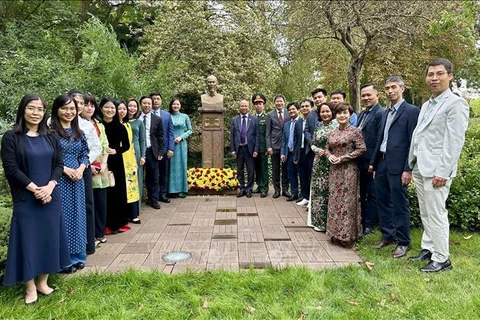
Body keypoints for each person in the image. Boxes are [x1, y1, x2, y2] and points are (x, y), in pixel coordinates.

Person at [1, 93, 70, 304]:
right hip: (26, 197)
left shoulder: (51, 136)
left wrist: (49, 187)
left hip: (51, 195)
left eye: (40, 109)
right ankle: (30, 287)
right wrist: (35, 190)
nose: (36, 113)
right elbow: (11, 169)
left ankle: (43, 282)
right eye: (31, 108)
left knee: (50, 237)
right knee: (27, 240)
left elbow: (58, 165)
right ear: (23, 109)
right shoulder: (11, 137)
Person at [408, 58, 469, 272]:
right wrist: (411, 163)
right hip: (420, 166)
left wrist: (443, 171)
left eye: (440, 74)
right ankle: (429, 248)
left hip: (437, 170)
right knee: (426, 212)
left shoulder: (456, 104)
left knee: (436, 213)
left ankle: (442, 259)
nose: (434, 78)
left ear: (450, 76)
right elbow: (419, 135)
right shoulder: (426, 104)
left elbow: (454, 142)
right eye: (431, 74)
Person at [370, 76, 419, 258]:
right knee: (382, 200)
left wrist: (408, 168)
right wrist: (373, 164)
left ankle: (403, 241)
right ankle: (388, 235)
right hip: (382, 163)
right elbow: (380, 140)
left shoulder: (411, 111)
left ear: (402, 88)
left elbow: (414, 142)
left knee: (399, 203)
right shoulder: (385, 113)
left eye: (393, 87)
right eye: (387, 88)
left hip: (399, 165)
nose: (390, 91)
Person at [49, 94, 89, 272]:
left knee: (78, 216)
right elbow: (48, 156)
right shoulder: (50, 132)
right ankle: (64, 259)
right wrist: (64, 169)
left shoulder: (79, 132)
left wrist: (80, 169)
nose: (69, 112)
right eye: (64, 108)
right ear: (57, 110)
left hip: (77, 179)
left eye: (72, 108)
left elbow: (85, 154)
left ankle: (78, 256)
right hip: (59, 179)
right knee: (63, 217)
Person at [325, 104, 366, 247]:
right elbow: (327, 148)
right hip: (334, 171)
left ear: (350, 115)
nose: (342, 115)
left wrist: (344, 157)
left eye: (345, 113)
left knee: (347, 202)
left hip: (349, 170)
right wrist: (329, 155)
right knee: (335, 201)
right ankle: (335, 233)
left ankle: (347, 236)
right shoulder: (332, 132)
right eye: (339, 113)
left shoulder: (355, 131)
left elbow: (361, 148)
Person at [67, 89, 101, 255]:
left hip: (83, 168)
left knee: (87, 204)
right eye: (76, 102)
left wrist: (84, 163)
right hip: (62, 169)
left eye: (81, 103)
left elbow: (96, 147)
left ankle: (87, 244)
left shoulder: (87, 125)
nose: (79, 106)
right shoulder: (53, 122)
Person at [356, 84, 386, 236]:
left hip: (371, 163)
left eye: (369, 95)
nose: (366, 98)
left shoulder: (381, 113)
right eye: (363, 95)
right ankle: (362, 221)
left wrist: (373, 163)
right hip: (359, 161)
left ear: (377, 95)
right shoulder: (362, 114)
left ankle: (369, 225)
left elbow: (380, 139)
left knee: (372, 194)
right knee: (362, 193)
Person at [99, 97, 130, 234]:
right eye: (107, 107)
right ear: (101, 109)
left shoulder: (120, 127)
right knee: (106, 193)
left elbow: (127, 145)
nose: (110, 110)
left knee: (118, 192)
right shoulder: (98, 125)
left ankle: (117, 223)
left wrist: (117, 150)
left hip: (116, 162)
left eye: (112, 108)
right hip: (101, 162)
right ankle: (105, 224)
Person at [83, 93, 109, 244]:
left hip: (102, 167)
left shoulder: (99, 124)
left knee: (101, 202)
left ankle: (100, 232)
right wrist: (89, 165)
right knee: (89, 202)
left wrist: (104, 163)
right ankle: (90, 235)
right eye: (86, 105)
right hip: (86, 167)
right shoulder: (77, 124)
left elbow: (104, 145)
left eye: (92, 105)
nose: (89, 108)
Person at [307, 102, 338, 231]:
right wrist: (316, 150)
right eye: (322, 112)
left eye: (327, 111)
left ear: (332, 112)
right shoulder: (318, 128)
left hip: (331, 163)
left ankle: (329, 223)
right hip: (319, 163)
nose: (325, 114)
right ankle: (317, 221)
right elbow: (312, 144)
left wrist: (326, 152)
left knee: (329, 192)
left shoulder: (337, 127)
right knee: (318, 192)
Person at [117, 100, 141, 224]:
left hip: (129, 158)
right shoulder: (113, 125)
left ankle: (133, 214)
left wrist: (135, 159)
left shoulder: (127, 125)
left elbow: (130, 144)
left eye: (124, 109)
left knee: (132, 186)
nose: (122, 111)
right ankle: (125, 214)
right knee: (122, 187)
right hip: (119, 158)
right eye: (120, 108)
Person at [139, 96, 164, 209]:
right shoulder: (136, 117)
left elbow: (160, 137)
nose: (147, 105)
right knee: (138, 175)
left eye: (149, 103)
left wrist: (160, 152)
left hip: (151, 150)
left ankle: (153, 199)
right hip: (138, 151)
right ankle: (137, 200)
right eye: (145, 103)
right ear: (141, 104)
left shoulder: (157, 119)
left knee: (153, 176)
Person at [231, 99, 258, 198]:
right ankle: (242, 188)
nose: (244, 108)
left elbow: (257, 136)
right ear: (239, 107)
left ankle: (249, 189)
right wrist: (233, 150)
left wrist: (256, 149)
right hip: (239, 149)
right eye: (242, 106)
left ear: (248, 107)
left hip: (249, 149)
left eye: (246, 106)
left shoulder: (254, 119)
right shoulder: (234, 120)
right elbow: (232, 136)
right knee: (240, 170)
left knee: (250, 170)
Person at [150, 91, 174, 203]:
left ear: (161, 101)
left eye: (158, 99)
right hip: (151, 150)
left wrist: (171, 148)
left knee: (163, 172)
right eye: (153, 99)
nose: (155, 101)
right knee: (151, 174)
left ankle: (162, 194)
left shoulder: (167, 115)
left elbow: (170, 132)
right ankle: (152, 196)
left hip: (164, 149)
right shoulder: (145, 115)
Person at [266, 94, 290, 198]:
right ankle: (277, 190)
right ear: (274, 103)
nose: (279, 103)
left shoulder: (289, 113)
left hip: (286, 145)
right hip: (274, 145)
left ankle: (285, 190)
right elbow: (267, 132)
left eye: (281, 101)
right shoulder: (270, 115)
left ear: (284, 102)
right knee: (275, 169)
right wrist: (269, 147)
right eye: (277, 101)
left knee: (286, 168)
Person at [168, 98, 192, 198]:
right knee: (171, 167)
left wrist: (181, 137)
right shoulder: (168, 116)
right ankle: (172, 190)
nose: (176, 106)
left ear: (180, 106)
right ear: (171, 105)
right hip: (170, 144)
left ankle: (182, 189)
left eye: (177, 104)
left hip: (181, 144)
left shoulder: (185, 116)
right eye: (174, 104)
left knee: (182, 165)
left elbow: (190, 130)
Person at [127, 98, 146, 213]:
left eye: (134, 106)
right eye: (130, 106)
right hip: (125, 153)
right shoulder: (121, 121)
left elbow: (142, 140)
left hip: (137, 152)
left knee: (137, 179)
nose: (132, 108)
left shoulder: (139, 122)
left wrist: (143, 156)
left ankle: (136, 208)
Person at [296, 99, 316, 206]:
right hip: (301, 152)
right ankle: (305, 197)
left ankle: (312, 199)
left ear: (311, 108)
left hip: (311, 152)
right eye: (302, 106)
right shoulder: (298, 122)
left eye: (307, 106)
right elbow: (296, 139)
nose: (304, 108)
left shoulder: (315, 119)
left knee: (312, 175)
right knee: (302, 176)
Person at [281, 102, 301, 202]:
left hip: (299, 154)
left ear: (298, 110)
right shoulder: (286, 124)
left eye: (293, 109)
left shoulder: (302, 122)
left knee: (301, 174)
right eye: (289, 110)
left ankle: (303, 195)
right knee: (291, 174)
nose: (291, 111)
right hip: (288, 153)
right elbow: (284, 140)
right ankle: (294, 193)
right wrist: (283, 153)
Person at [252, 93, 269, 198]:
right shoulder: (252, 118)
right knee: (256, 168)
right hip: (254, 148)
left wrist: (268, 147)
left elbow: (268, 134)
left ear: (264, 105)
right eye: (256, 104)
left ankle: (264, 188)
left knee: (263, 168)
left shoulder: (267, 118)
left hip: (263, 148)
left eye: (260, 103)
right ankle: (259, 185)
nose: (258, 105)